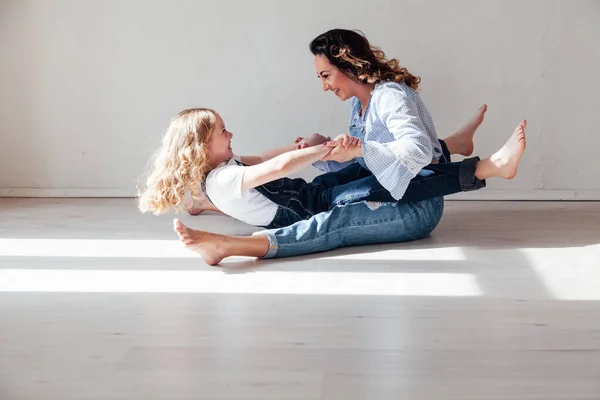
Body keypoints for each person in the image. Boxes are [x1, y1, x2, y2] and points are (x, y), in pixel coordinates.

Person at [149, 29, 526, 265]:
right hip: (394, 187)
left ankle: (484, 166)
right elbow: (359, 164)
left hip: (415, 204)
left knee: (335, 219)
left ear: (348, 66)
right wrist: (327, 149)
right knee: (335, 187)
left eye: (326, 75)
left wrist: (349, 151)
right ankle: (453, 145)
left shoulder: (389, 97)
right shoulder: (357, 107)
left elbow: (406, 156)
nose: (324, 85)